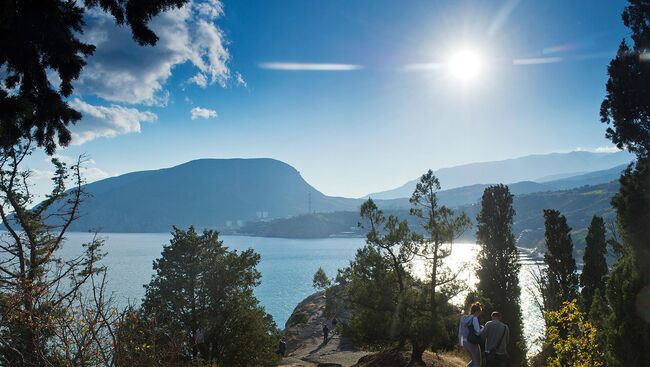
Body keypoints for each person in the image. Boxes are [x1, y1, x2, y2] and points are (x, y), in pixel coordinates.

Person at [458, 302, 482, 367]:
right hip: (472, 342)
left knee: (473, 361)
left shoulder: (463, 318)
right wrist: (483, 328)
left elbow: (460, 332)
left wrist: (460, 343)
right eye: (479, 312)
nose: (479, 314)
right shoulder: (474, 318)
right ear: (477, 311)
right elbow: (478, 332)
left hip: (464, 342)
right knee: (477, 363)